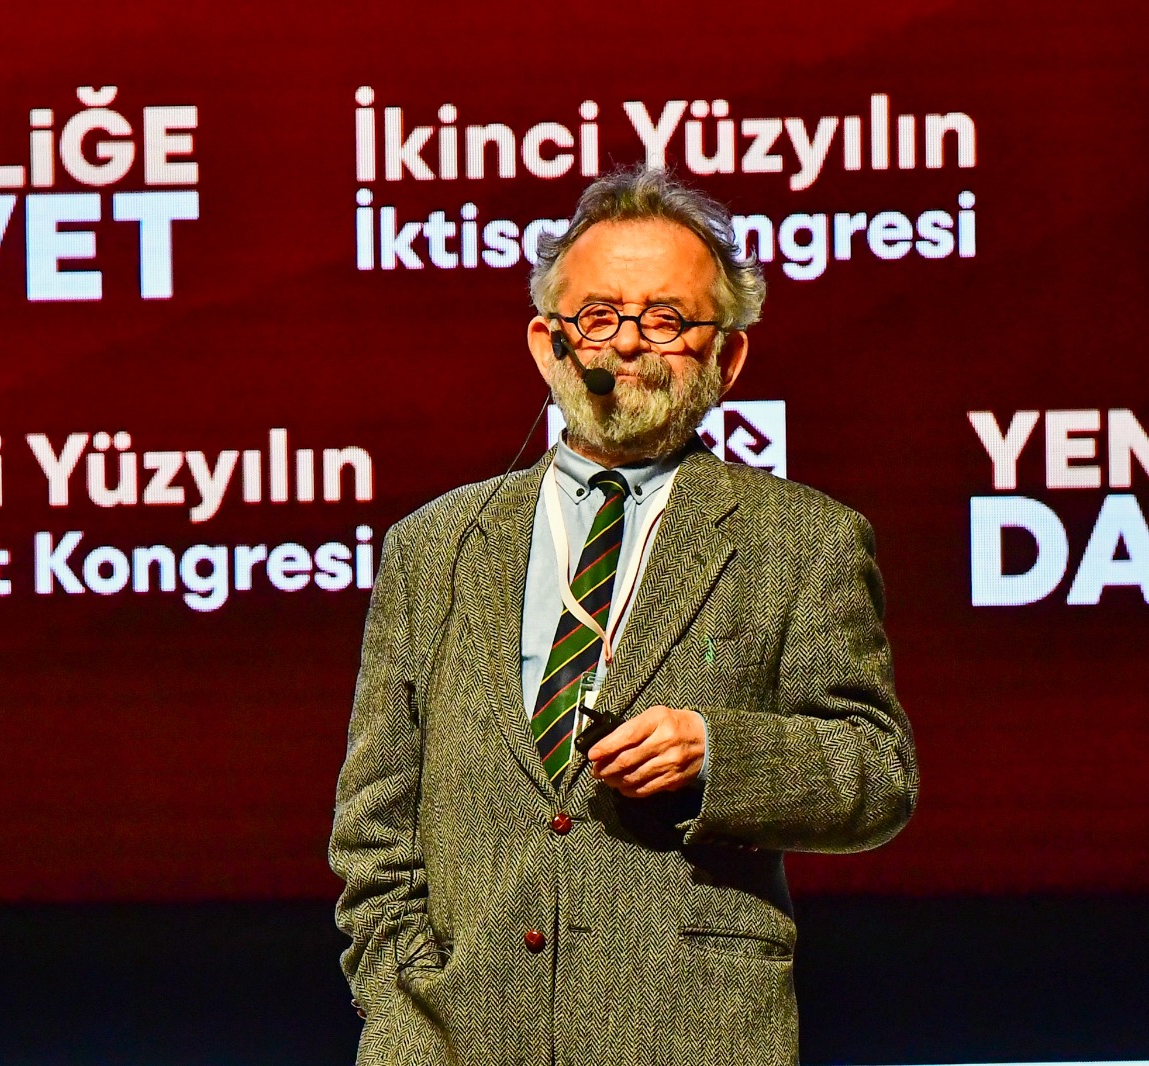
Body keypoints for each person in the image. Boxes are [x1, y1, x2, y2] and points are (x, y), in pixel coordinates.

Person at [328, 165, 918, 1066]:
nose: (630, 343)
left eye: (668, 319)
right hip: (455, 1044)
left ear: (728, 358)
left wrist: (720, 753)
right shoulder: (433, 546)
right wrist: (404, 1015)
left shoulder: (804, 539)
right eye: (599, 315)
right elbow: (375, 830)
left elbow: (877, 772)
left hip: (690, 1038)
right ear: (548, 343)